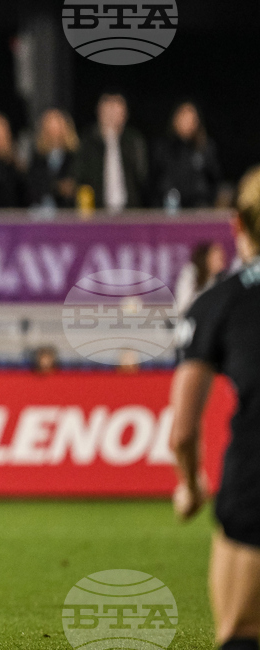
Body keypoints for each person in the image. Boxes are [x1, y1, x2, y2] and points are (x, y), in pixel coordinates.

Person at [170, 165, 260, 650]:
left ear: (239, 226)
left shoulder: (221, 303)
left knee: (241, 633)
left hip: (254, 486)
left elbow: (183, 431)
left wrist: (190, 486)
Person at [73, 93, 149, 211]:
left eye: (116, 111)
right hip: (97, 209)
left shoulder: (133, 140)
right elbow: (80, 174)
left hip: (130, 208)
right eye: (108, 111)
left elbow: (142, 175)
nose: (112, 116)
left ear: (125, 114)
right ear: (99, 112)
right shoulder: (88, 140)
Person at [152, 101, 221, 210]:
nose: (186, 122)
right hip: (170, 209)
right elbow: (155, 180)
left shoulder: (205, 147)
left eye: (190, 119)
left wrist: (206, 201)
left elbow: (214, 180)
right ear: (175, 120)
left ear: (196, 122)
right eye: (183, 117)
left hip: (199, 209)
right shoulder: (163, 147)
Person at [26, 108, 78, 209]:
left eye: (57, 126)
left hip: (68, 214)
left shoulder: (75, 157)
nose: (53, 131)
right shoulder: (37, 159)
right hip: (40, 215)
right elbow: (32, 187)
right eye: (49, 127)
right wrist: (57, 187)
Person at [173, 241, 227, 316]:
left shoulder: (222, 279)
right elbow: (183, 303)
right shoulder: (191, 272)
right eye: (218, 258)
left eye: (222, 257)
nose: (222, 261)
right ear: (206, 258)